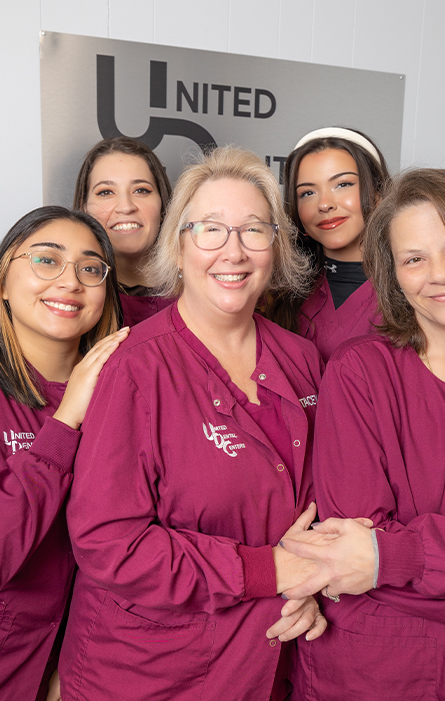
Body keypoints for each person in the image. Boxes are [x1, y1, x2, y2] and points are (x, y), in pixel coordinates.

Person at [59, 147, 326, 701]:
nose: (233, 250)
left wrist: (315, 578)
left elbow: (326, 498)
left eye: (254, 230)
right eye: (209, 229)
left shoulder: (303, 360)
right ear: (177, 248)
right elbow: (111, 543)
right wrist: (272, 571)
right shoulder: (135, 368)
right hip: (147, 671)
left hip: (264, 657)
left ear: (276, 249)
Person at [280, 169, 445, 700]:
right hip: (378, 664)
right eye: (414, 259)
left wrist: (392, 558)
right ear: (392, 277)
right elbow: (353, 542)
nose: (439, 274)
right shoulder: (358, 373)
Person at [0, 206, 126, 701]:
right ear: (4, 280)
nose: (70, 281)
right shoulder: (65, 406)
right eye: (47, 260)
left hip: (83, 668)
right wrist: (64, 421)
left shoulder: (125, 393)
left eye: (91, 268)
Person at [265, 127, 390, 362]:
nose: (324, 204)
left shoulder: (412, 290)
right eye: (307, 193)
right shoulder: (279, 295)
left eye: (342, 184)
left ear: (377, 193)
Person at [73, 136, 175, 326]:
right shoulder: (69, 295)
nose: (126, 207)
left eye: (141, 190)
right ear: (83, 208)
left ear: (163, 205)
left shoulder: (199, 293)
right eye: (106, 192)